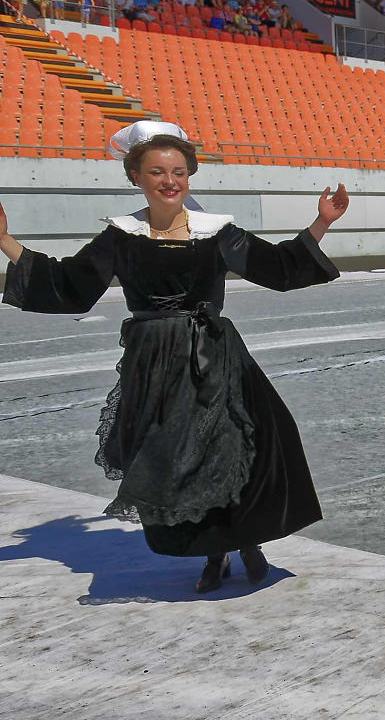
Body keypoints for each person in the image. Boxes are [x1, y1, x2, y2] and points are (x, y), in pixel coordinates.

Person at [0, 131, 348, 592]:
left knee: (241, 447)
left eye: (179, 172)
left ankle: (248, 542)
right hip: (154, 364)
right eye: (158, 172)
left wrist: (321, 222)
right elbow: (69, 283)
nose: (170, 181)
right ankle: (212, 553)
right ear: (136, 177)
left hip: (215, 357)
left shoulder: (216, 232)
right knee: (178, 460)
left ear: (190, 176)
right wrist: (4, 240)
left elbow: (279, 268)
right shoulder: (121, 236)